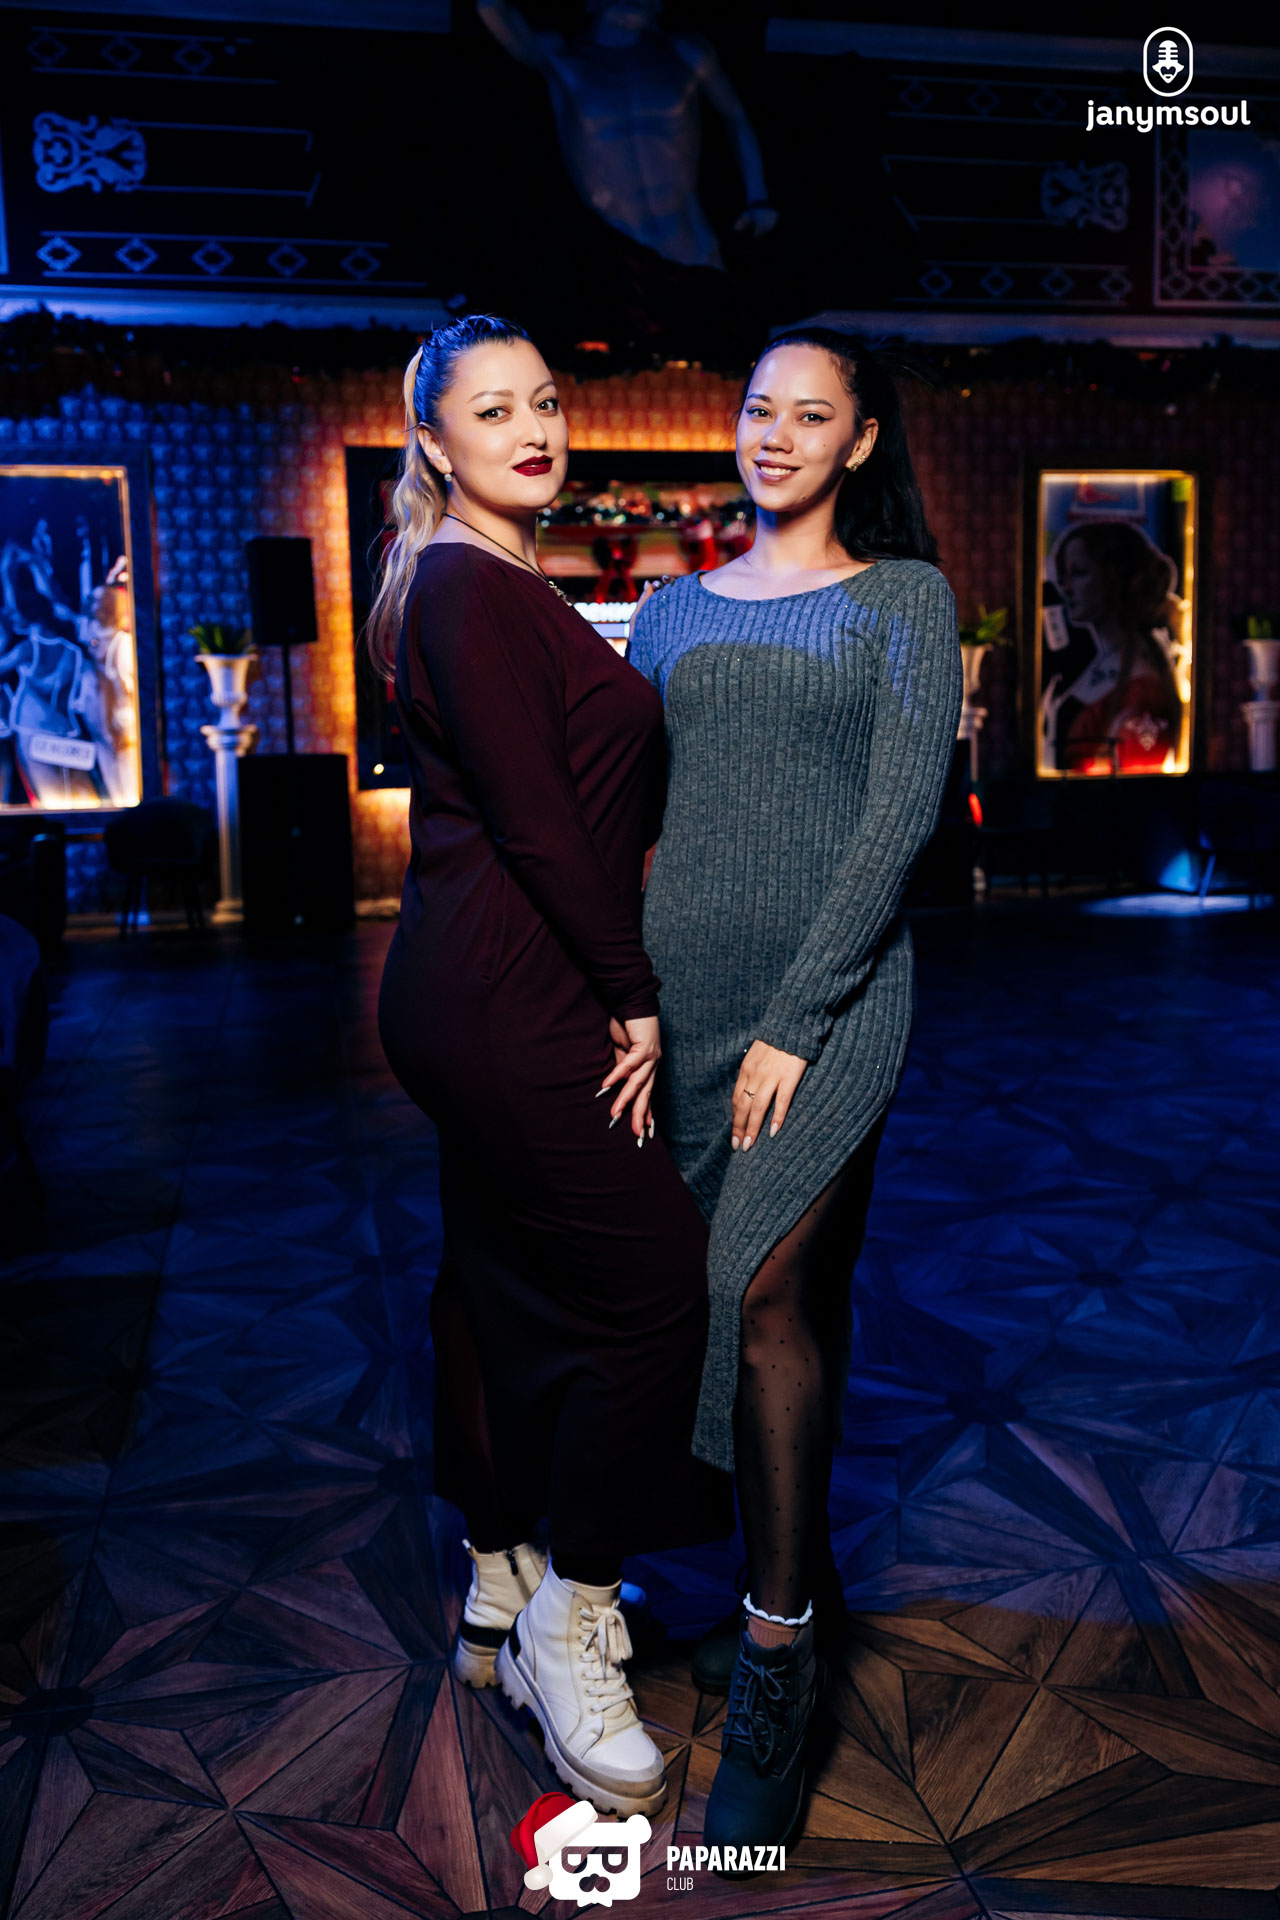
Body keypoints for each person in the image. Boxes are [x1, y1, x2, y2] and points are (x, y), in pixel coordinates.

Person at [371, 314, 731, 1818]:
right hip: (511, 995)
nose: (532, 430)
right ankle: (570, 1619)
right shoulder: (466, 586)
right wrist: (630, 996)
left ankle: (499, 1573)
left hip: (475, 986)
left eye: (545, 403)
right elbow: (536, 821)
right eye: (492, 411)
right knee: (658, 1291)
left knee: (500, 1278)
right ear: (434, 441)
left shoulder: (495, 579)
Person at [628, 327, 962, 1855]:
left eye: (809, 415)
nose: (774, 434)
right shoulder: (669, 611)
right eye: (758, 407)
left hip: (827, 1014)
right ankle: (795, 1580)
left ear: (860, 441)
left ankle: (776, 1661)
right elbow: (622, 812)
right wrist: (624, 999)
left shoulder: (903, 601)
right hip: (683, 1013)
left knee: (759, 1290)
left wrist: (797, 1019)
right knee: (765, 1304)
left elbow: (898, 821)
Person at [1041, 519, 1184, 774]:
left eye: (1079, 573)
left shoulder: (1142, 684)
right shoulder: (1107, 660)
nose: (1066, 588)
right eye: (1064, 575)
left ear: (1113, 578)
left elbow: (1139, 773)